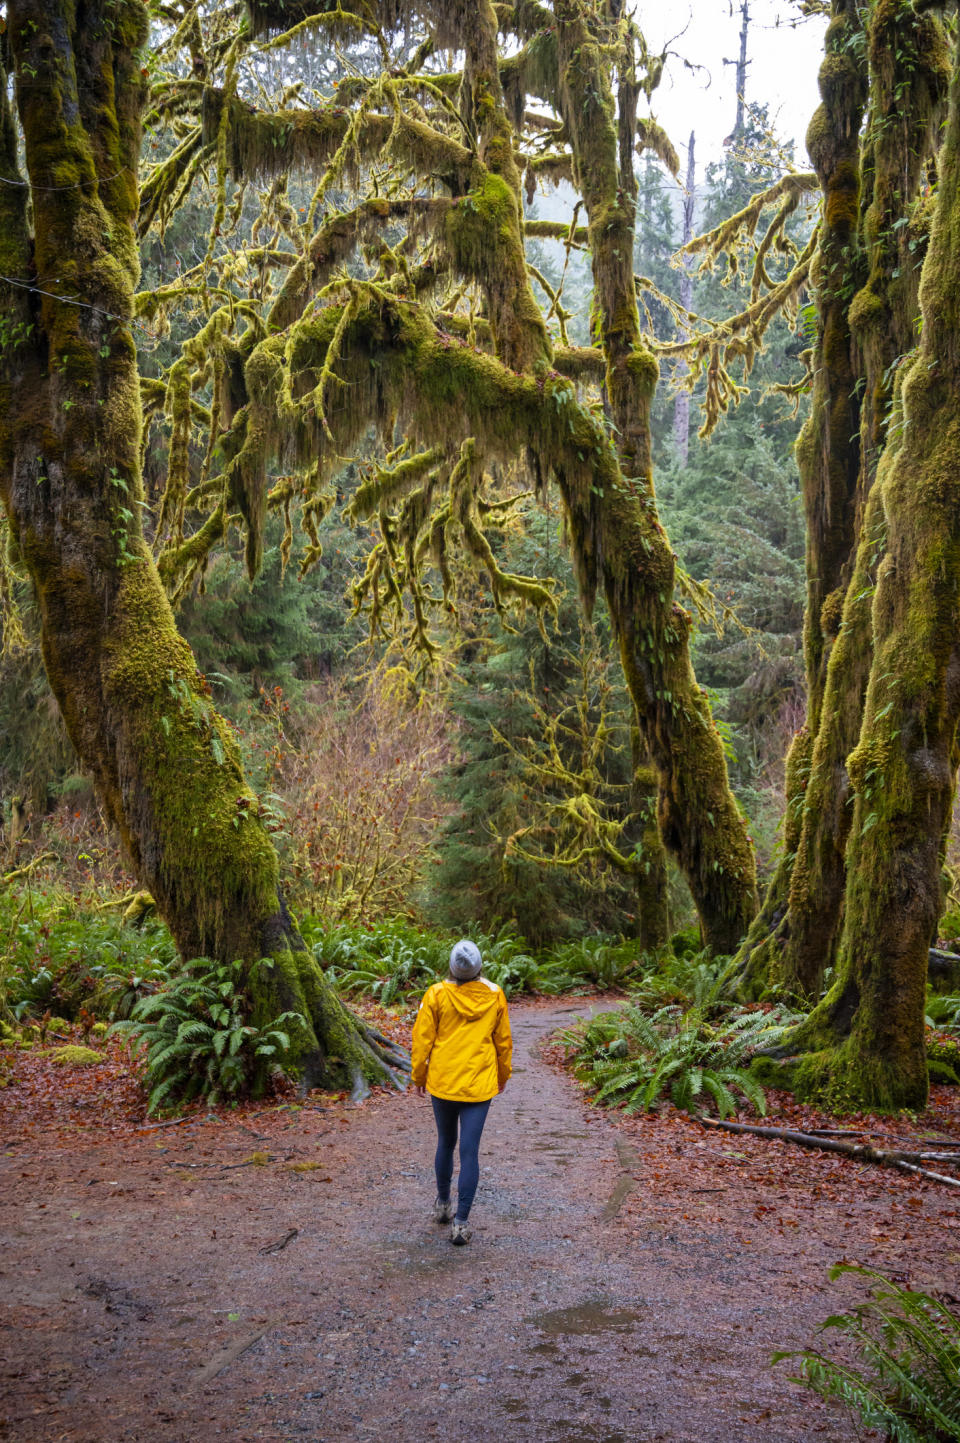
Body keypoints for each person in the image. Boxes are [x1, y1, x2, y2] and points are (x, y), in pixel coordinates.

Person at [411, 938, 512, 1245]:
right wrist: (503, 1075)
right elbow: (503, 1042)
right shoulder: (495, 995)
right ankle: (461, 1223)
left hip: (443, 1081)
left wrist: (419, 1074)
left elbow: (422, 1039)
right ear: (480, 965)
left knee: (445, 1141)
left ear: (451, 967)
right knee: (469, 1151)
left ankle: (443, 1206)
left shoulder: (436, 994)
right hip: (479, 1086)